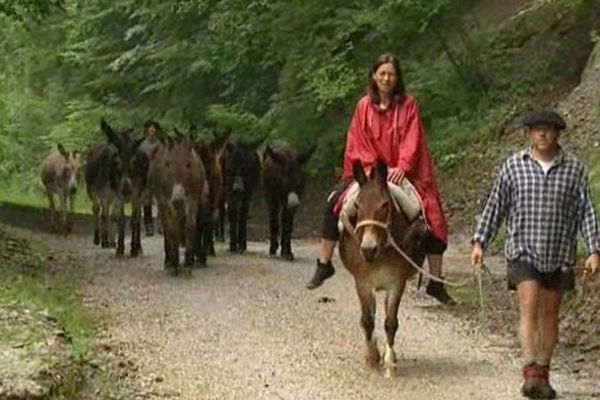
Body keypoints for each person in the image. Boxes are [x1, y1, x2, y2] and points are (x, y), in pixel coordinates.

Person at [306, 53, 456, 305]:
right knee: (335, 203)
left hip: (400, 172)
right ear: (374, 76)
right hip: (368, 173)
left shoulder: (408, 105)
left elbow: (413, 139)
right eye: (382, 73)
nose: (386, 78)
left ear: (397, 78)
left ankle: (436, 280)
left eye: (391, 74)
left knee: (431, 212)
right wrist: (371, 170)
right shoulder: (363, 106)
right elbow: (358, 140)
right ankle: (324, 263)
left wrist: (402, 166)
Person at [471, 110, 599, 399]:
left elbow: (586, 213)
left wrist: (593, 250)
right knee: (528, 305)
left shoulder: (574, 169)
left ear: (558, 134)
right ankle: (530, 373)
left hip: (559, 252)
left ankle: (544, 372)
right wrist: (480, 242)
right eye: (537, 129)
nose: (542, 134)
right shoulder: (513, 167)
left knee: (550, 312)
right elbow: (496, 206)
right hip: (523, 249)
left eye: (548, 130)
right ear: (528, 134)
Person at [139, 120, 163, 236]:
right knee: (146, 201)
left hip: (158, 175)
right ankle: (149, 225)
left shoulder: (160, 144)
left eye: (154, 128)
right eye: (150, 128)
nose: (152, 130)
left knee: (161, 201)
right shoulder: (142, 145)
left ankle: (161, 224)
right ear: (147, 130)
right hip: (145, 174)